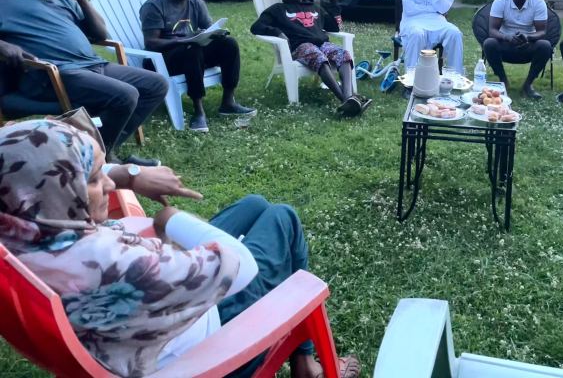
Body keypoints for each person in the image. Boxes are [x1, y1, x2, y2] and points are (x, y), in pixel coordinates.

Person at [0, 117, 361, 378]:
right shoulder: (108, 263)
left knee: (253, 204)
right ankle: (306, 362)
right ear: (57, 191)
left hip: (136, 324)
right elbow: (240, 264)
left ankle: (304, 360)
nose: (110, 183)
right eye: (92, 178)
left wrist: (132, 177)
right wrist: (170, 219)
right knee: (282, 217)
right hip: (198, 343)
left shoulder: (20, 232)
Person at [0, 0, 168, 165]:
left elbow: (100, 34)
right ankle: (104, 158)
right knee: (125, 95)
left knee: (156, 84)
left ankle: (99, 150)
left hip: (92, 64)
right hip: (54, 73)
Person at [140, 0, 255, 132]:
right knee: (192, 49)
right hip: (162, 60)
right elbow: (151, 43)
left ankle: (228, 102)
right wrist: (185, 41)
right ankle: (198, 111)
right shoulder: (155, 5)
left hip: (192, 52)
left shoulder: (196, 2)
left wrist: (215, 34)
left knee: (229, 44)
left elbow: (208, 29)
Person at [250, 0, 371, 117]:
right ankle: (346, 99)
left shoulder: (315, 8)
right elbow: (256, 27)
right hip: (300, 46)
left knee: (343, 54)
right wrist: (277, 32)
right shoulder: (278, 9)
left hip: (322, 44)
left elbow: (335, 27)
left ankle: (350, 98)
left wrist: (333, 2)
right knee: (317, 55)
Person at [483, 0, 550, 99]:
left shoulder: (538, 3)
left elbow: (542, 32)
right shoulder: (500, 1)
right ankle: (503, 82)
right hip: (505, 44)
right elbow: (492, 30)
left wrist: (528, 37)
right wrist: (507, 37)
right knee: (489, 43)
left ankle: (528, 85)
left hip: (528, 44)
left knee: (545, 45)